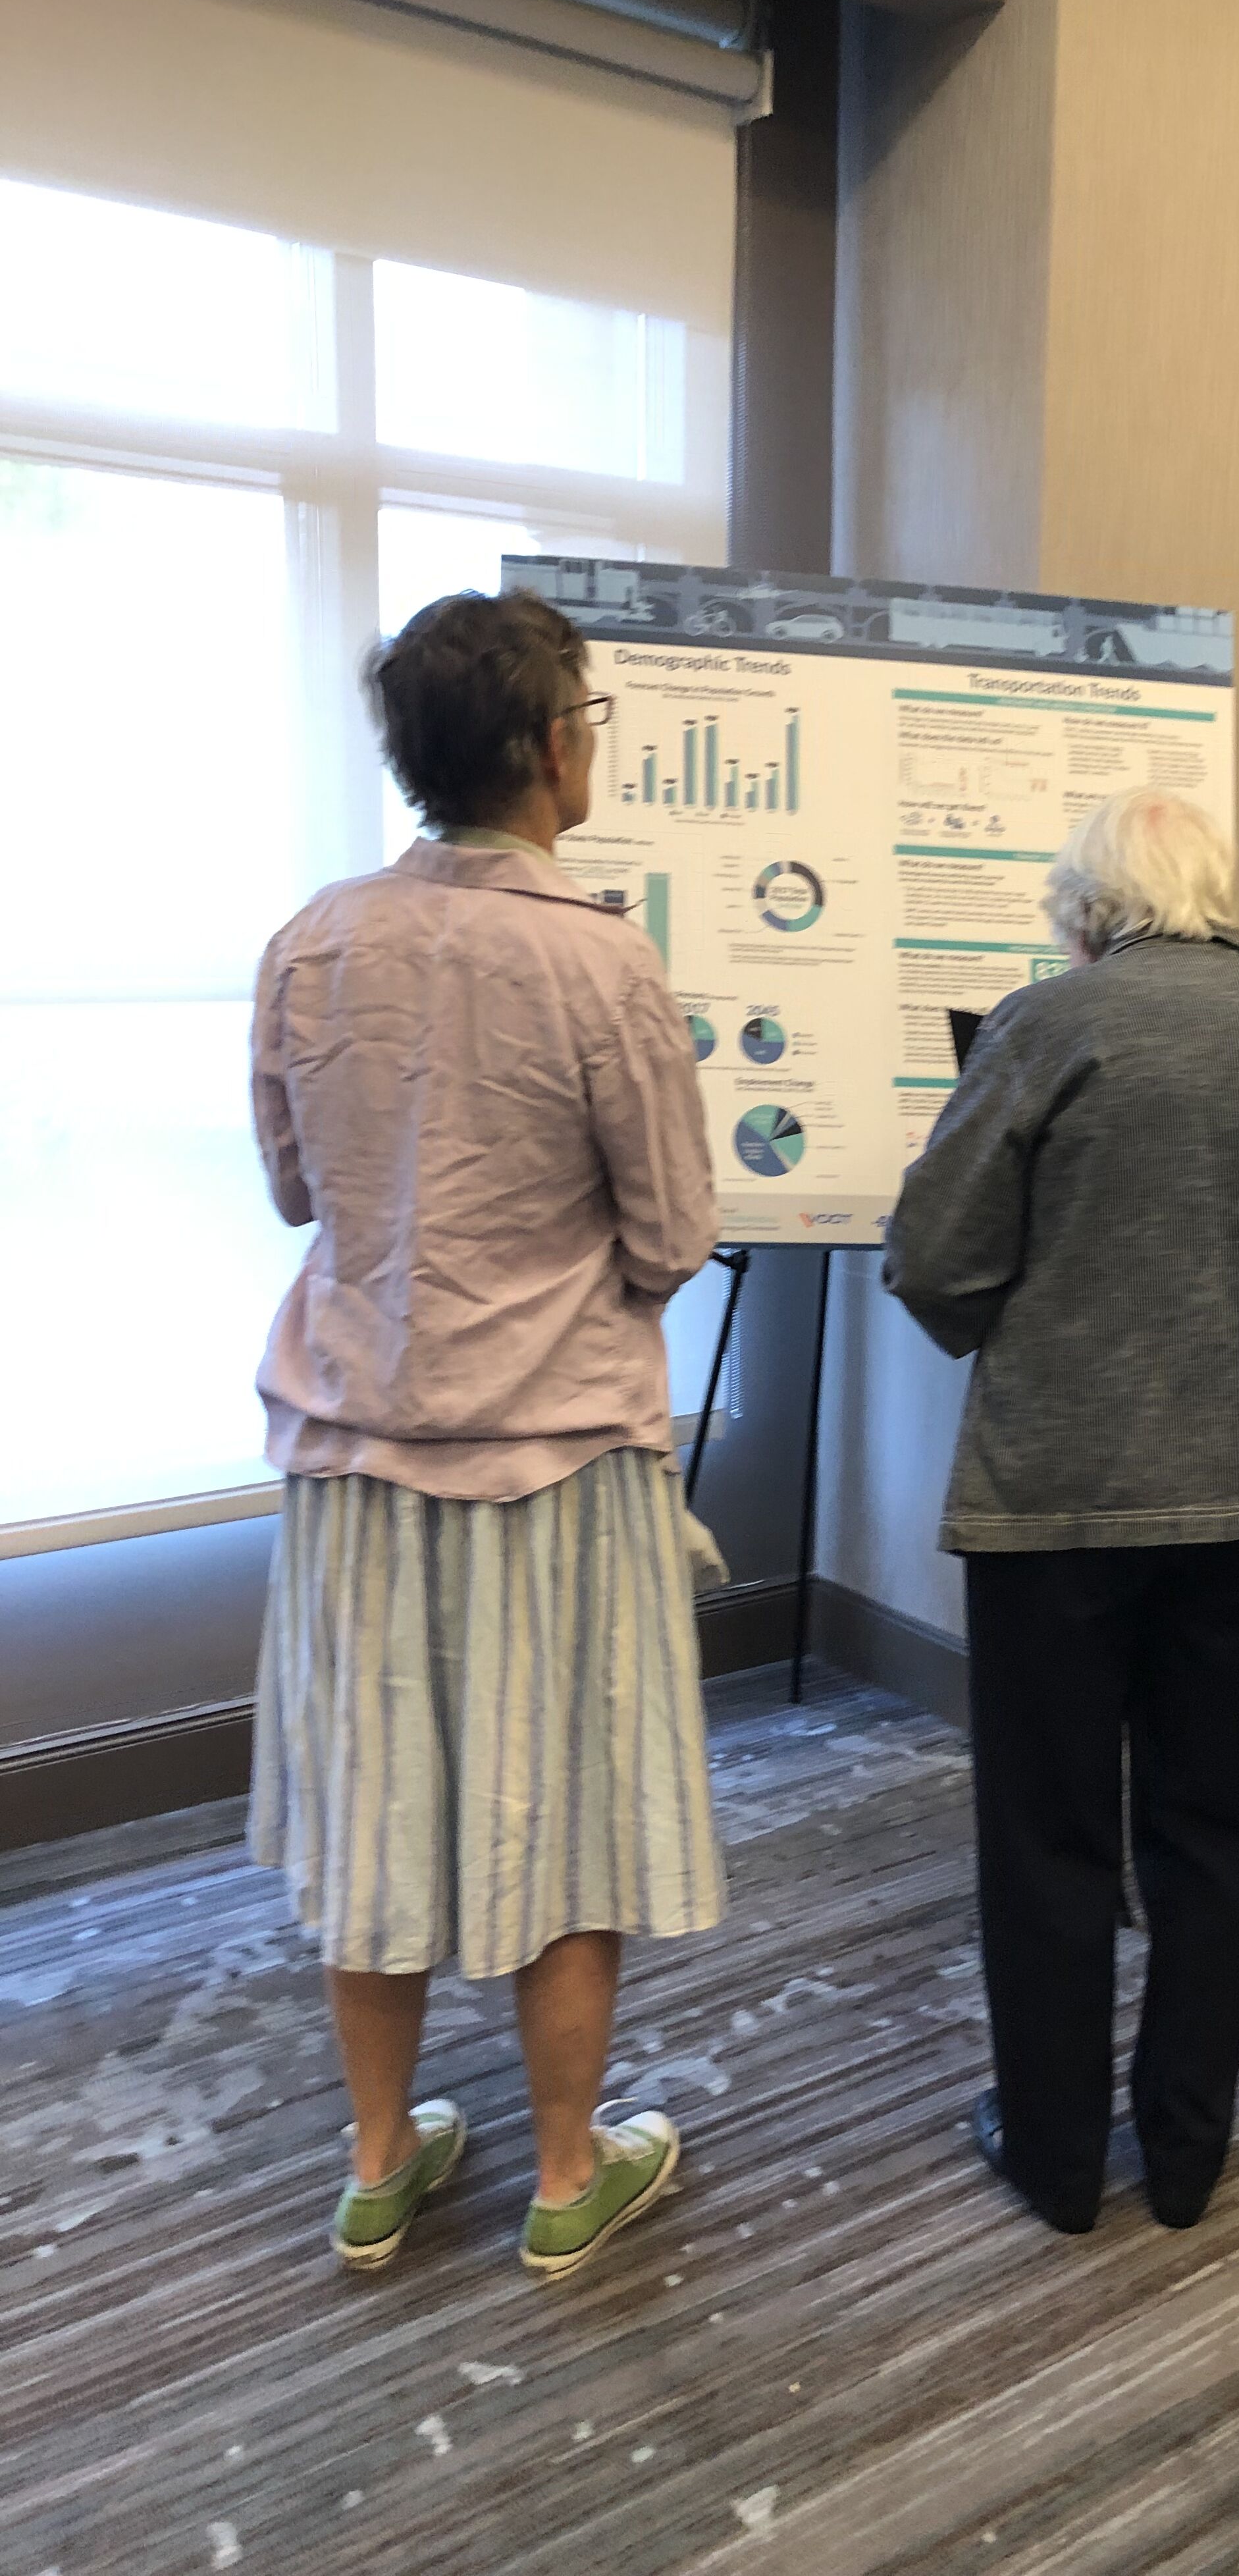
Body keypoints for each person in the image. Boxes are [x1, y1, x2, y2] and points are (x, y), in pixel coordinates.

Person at [248, 589, 725, 2276]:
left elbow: (294, 1188)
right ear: (542, 744)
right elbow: (674, 1233)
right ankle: (564, 2175)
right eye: (586, 716)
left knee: (372, 1807)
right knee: (570, 1812)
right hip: (555, 1457)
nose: (591, 744)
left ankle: (380, 2165)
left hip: (357, 1456)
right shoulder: (601, 958)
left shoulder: (311, 940)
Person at [885, 791, 1239, 2234]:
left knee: (1049, 1831)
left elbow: (935, 1261)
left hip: (1063, 1499)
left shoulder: (1045, 1026)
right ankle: (1186, 2150)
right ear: (1215, 895)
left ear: (1090, 910)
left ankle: (1055, 2156)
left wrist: (1031, 1312)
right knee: (1225, 1826)